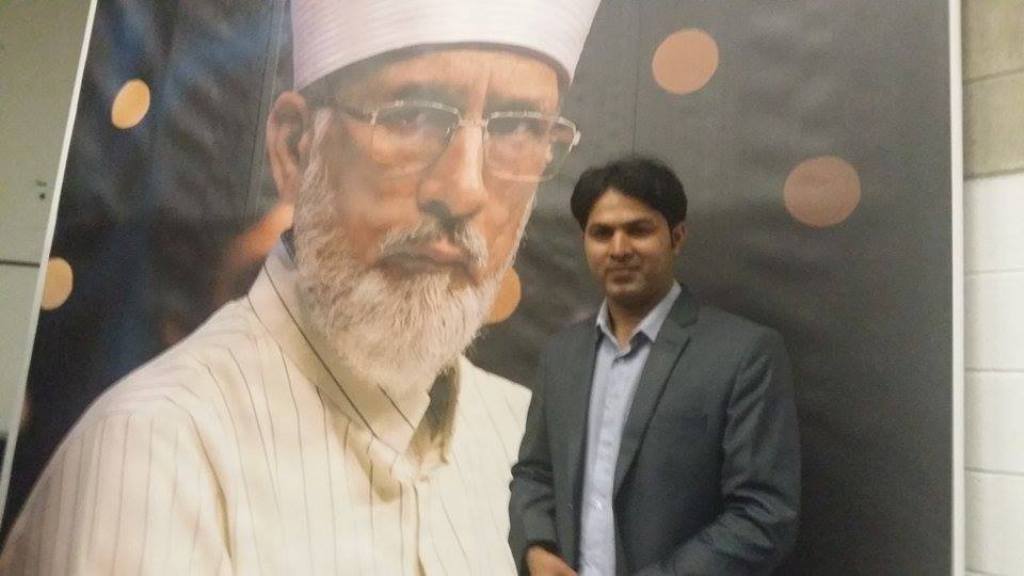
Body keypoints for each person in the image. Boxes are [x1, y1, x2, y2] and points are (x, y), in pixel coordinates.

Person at [0, 1, 600, 574]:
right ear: (294, 147)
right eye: (411, 115)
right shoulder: (153, 453)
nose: (464, 189)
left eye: (518, 128)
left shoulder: (533, 442)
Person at [509, 156, 800, 576]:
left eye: (639, 230)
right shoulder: (562, 355)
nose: (619, 249)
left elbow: (763, 514)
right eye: (602, 233)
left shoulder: (744, 354)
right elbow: (534, 474)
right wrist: (536, 550)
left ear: (676, 237)